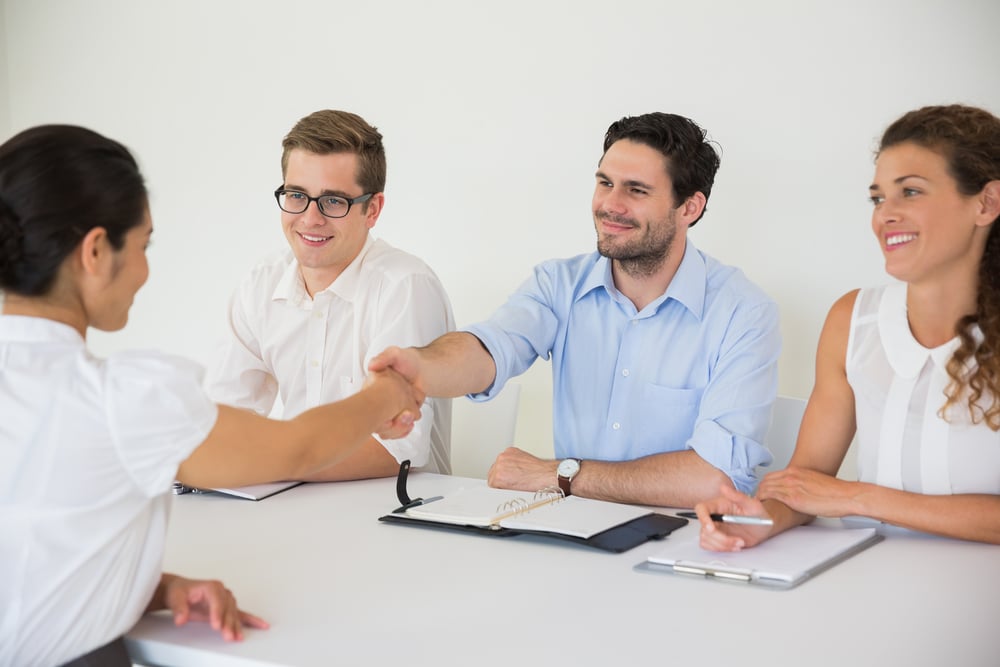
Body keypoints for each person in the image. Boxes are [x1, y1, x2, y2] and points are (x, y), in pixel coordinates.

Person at [0, 125, 423, 666]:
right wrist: (387, 390)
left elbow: (30, 553)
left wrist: (152, 590)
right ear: (96, 251)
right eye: (143, 244)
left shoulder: (401, 282)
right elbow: (296, 447)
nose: (146, 270)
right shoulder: (122, 401)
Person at [371, 112, 781, 508]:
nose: (610, 204)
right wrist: (417, 368)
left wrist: (563, 475)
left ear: (689, 207)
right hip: (574, 530)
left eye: (636, 190)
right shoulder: (558, 284)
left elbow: (716, 478)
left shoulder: (743, 313)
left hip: (687, 540)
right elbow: (489, 349)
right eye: (605, 182)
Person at [695, 104, 1000, 549]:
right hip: (867, 583)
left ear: (986, 203)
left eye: (910, 192)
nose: (885, 215)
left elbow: (835, 495)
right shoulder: (853, 319)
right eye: (878, 198)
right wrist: (759, 519)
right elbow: (808, 485)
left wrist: (857, 497)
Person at [205, 109, 454, 480]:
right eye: (296, 195)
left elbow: (395, 449)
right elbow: (222, 419)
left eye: (333, 201)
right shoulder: (260, 284)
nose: (309, 218)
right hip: (289, 501)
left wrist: (267, 461)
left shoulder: (405, 286)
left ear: (373, 209)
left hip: (390, 513)